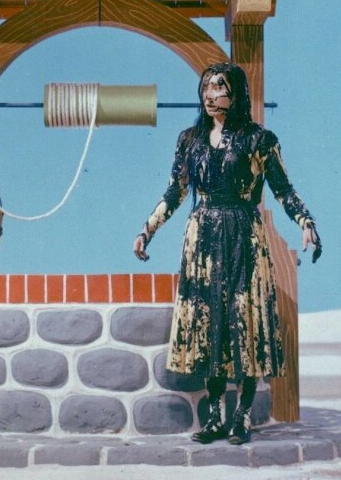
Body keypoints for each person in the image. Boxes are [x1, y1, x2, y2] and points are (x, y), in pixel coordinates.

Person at [133, 62, 321, 445]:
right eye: (206, 87)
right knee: (209, 323)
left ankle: (242, 416)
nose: (210, 94)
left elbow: (283, 188)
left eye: (219, 88)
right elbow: (175, 191)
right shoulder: (190, 140)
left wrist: (305, 221)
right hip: (202, 239)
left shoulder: (258, 139)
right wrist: (147, 230)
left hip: (243, 238)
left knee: (244, 321)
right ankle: (215, 417)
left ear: (236, 95)